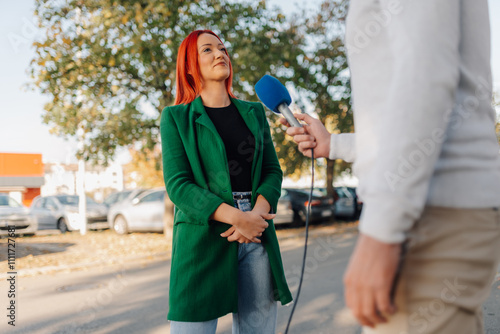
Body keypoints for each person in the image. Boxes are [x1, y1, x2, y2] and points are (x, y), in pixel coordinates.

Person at [281, 1, 500, 333]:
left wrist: (381, 233)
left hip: (431, 213)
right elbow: (402, 113)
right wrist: (333, 144)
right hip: (441, 209)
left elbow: (425, 79)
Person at [160, 30, 292, 334]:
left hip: (257, 230)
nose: (220, 54)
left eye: (222, 48)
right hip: (202, 234)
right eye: (208, 50)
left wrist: (255, 215)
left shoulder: (255, 113)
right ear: (190, 66)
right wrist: (235, 217)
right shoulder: (175, 118)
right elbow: (178, 184)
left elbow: (272, 170)